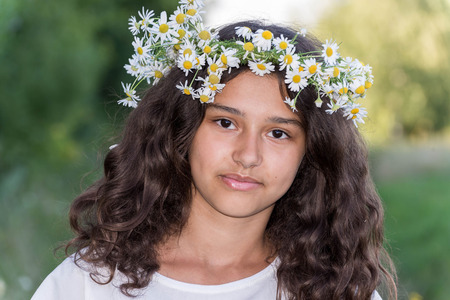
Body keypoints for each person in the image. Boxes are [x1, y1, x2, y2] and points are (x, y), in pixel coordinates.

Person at [32, 0, 396, 299]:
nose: (248, 155)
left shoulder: (335, 291)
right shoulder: (88, 284)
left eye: (279, 133)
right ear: (181, 129)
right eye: (225, 123)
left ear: (311, 153)